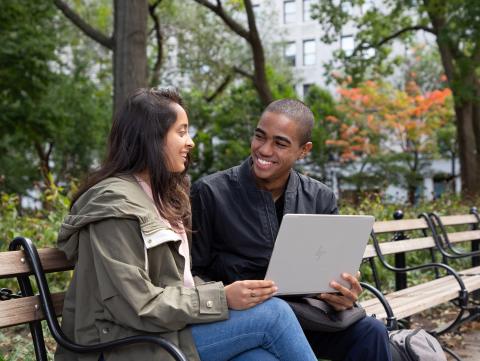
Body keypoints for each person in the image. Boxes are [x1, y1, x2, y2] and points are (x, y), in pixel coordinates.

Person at [55, 89, 318, 361]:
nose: (190, 142)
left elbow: (178, 283)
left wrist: (230, 293)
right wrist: (222, 298)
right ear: (151, 139)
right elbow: (136, 306)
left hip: (165, 333)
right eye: (181, 132)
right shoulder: (114, 206)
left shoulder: (155, 196)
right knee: (273, 314)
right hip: (123, 345)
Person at [191, 98, 392, 361]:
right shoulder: (210, 193)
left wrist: (343, 295)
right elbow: (190, 272)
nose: (264, 149)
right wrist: (224, 294)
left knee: (372, 332)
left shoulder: (320, 197)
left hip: (305, 317)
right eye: (260, 137)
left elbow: (331, 270)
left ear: (303, 150)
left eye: (280, 143)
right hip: (243, 321)